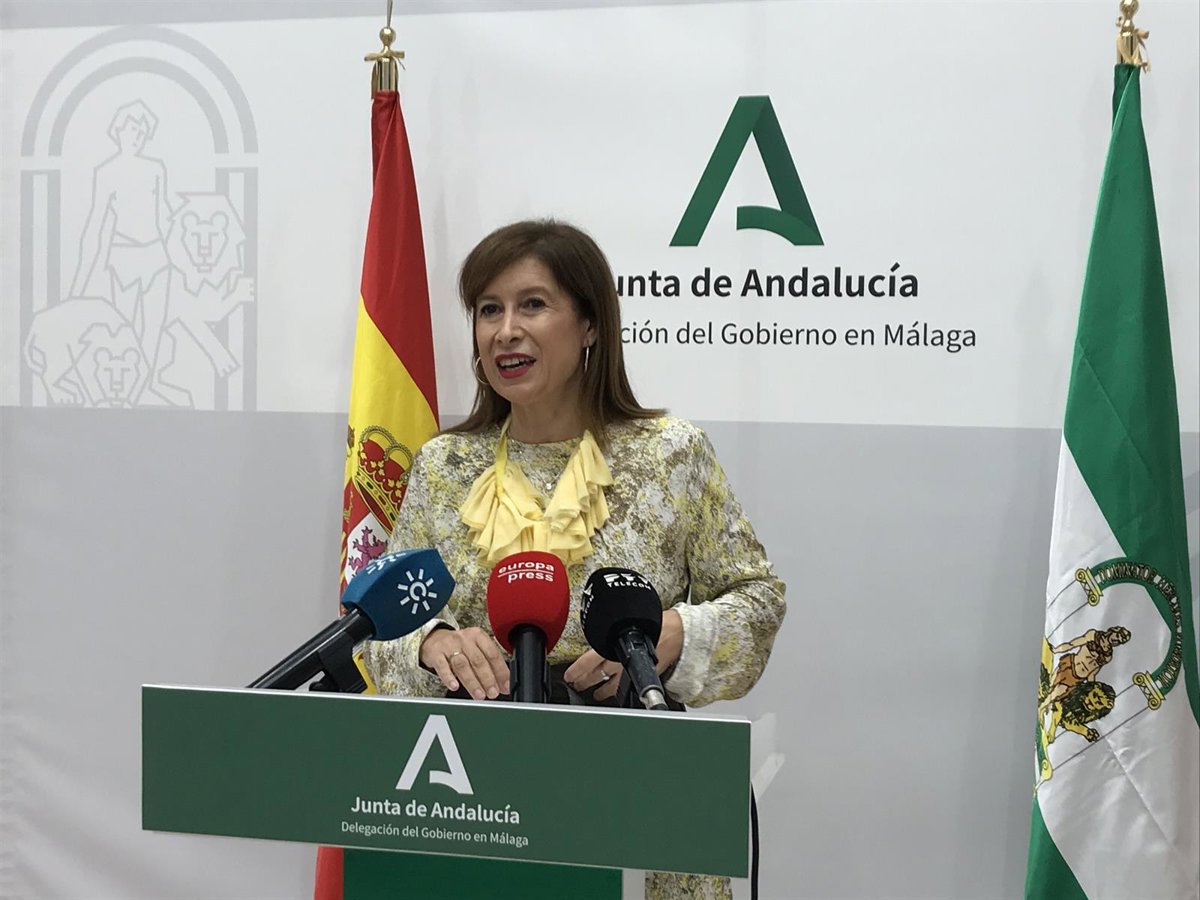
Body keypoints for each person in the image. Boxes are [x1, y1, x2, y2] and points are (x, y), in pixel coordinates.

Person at [362, 219, 786, 900]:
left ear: (589, 325)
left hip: (643, 796)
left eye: (532, 304)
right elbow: (381, 629)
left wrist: (670, 636)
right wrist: (432, 644)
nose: (505, 331)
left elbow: (756, 601)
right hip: (475, 803)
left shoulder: (669, 453)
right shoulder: (444, 465)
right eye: (489, 310)